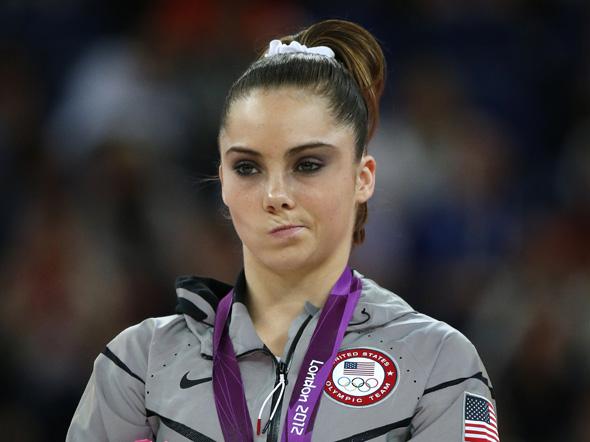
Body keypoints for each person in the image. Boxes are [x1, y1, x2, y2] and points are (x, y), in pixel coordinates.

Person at [67, 19, 498, 442]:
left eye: (307, 164)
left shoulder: (437, 363)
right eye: (247, 167)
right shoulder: (137, 365)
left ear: (362, 177)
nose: (275, 194)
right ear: (223, 185)